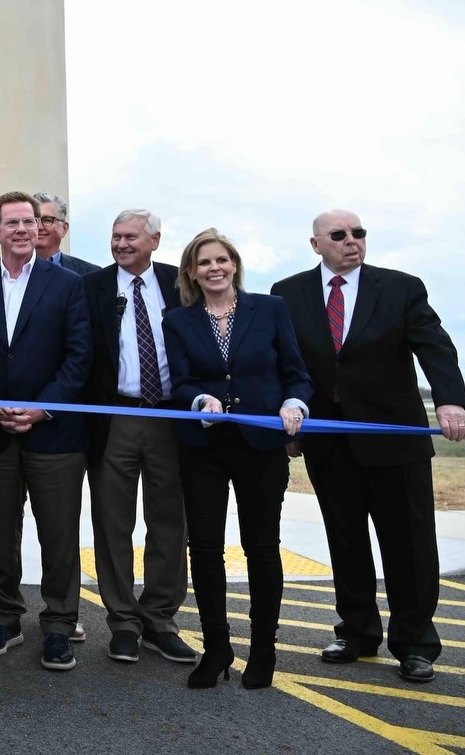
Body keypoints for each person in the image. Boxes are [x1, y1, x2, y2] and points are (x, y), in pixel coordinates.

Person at [272, 210, 465, 684]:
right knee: (346, 541)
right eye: (339, 235)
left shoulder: (401, 287)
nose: (352, 241)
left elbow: (436, 347)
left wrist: (450, 401)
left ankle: (415, 643)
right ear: (316, 244)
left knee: (410, 545)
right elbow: (284, 361)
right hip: (329, 440)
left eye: (358, 233)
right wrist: (291, 428)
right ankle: (357, 632)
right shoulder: (287, 292)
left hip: (394, 439)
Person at [162, 228, 310, 690]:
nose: (214, 268)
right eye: (204, 262)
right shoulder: (178, 321)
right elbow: (180, 383)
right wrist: (201, 399)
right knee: (204, 550)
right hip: (204, 446)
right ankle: (217, 649)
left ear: (234, 264)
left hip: (261, 446)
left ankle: (263, 651)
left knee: (261, 548)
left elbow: (296, 374)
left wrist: (294, 404)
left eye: (222, 259)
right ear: (191, 271)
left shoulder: (269, 309)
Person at [0, 191, 92, 672]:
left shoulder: (68, 285)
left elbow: (80, 357)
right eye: (13, 222)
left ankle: (59, 625)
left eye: (31, 221)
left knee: (58, 536)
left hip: (54, 435)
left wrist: (41, 409)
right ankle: (4, 615)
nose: (24, 228)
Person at [81, 209, 195, 666]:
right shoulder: (91, 287)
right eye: (116, 236)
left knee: (170, 520)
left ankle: (161, 620)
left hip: (171, 418)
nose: (121, 243)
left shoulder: (181, 283)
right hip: (114, 418)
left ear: (155, 240)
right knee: (113, 522)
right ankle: (123, 622)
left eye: (131, 236)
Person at [33, 192, 101, 275]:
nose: (39, 227)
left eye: (47, 220)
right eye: (33, 221)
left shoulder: (91, 273)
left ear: (64, 228)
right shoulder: (13, 269)